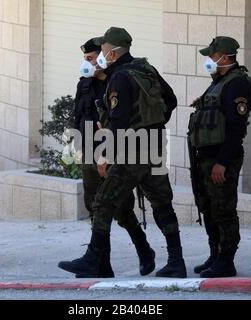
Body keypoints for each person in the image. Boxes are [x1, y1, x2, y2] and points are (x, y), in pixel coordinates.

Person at [59, 27, 187, 279]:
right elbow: (170, 100)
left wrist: (106, 154)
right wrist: (151, 124)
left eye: (104, 50)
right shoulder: (146, 69)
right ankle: (176, 261)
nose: (101, 56)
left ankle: (93, 259)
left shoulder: (119, 77)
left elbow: (117, 120)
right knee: (162, 203)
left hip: (130, 149)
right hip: (154, 145)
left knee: (104, 203)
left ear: (114, 53)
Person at [69, 37, 156, 278]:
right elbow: (78, 116)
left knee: (121, 209)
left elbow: (122, 120)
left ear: (104, 56)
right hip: (89, 152)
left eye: (91, 58)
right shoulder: (84, 83)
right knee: (95, 209)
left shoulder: (117, 81)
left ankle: (144, 249)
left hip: (113, 154)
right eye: (85, 59)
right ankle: (100, 265)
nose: (87, 63)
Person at [188, 36, 251, 278]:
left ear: (225, 57)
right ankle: (215, 255)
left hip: (221, 158)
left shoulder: (237, 85)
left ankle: (226, 261)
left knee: (223, 209)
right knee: (208, 208)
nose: (209, 60)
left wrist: (222, 163)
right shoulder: (220, 81)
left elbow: (236, 129)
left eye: (212, 56)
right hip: (206, 157)